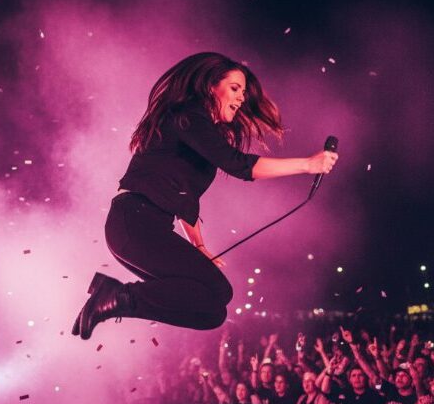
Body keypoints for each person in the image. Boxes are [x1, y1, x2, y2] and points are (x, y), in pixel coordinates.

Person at [72, 52, 338, 339]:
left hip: (142, 226)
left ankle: (116, 297)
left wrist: (198, 246)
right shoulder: (187, 115)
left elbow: (184, 197)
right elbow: (239, 165)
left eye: (243, 93)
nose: (240, 99)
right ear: (212, 86)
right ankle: (115, 295)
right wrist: (308, 164)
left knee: (212, 309)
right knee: (215, 291)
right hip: (134, 222)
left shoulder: (199, 130)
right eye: (235, 88)